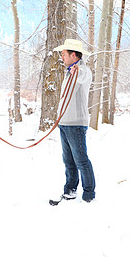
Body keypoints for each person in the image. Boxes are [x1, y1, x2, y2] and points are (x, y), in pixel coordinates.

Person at [53, 39, 95, 203]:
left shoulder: (83, 71)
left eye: (64, 54)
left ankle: (89, 195)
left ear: (73, 55)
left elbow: (83, 77)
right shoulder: (69, 72)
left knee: (81, 160)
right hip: (64, 123)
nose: (62, 57)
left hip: (76, 123)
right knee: (68, 160)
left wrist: (77, 70)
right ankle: (70, 190)